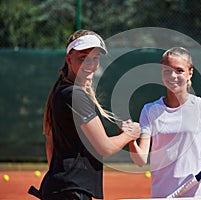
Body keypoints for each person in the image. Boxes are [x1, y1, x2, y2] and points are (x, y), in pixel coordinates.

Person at [39, 30, 140, 200]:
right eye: (83, 57)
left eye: (95, 58)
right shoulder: (75, 95)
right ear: (69, 59)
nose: (90, 63)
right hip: (71, 191)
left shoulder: (62, 92)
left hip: (64, 188)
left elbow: (50, 144)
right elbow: (104, 147)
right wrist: (130, 134)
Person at [129, 47, 201, 198]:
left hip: (198, 194)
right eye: (167, 71)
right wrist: (130, 139)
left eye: (179, 70)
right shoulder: (149, 110)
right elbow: (141, 160)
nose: (172, 76)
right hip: (162, 195)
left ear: (190, 73)